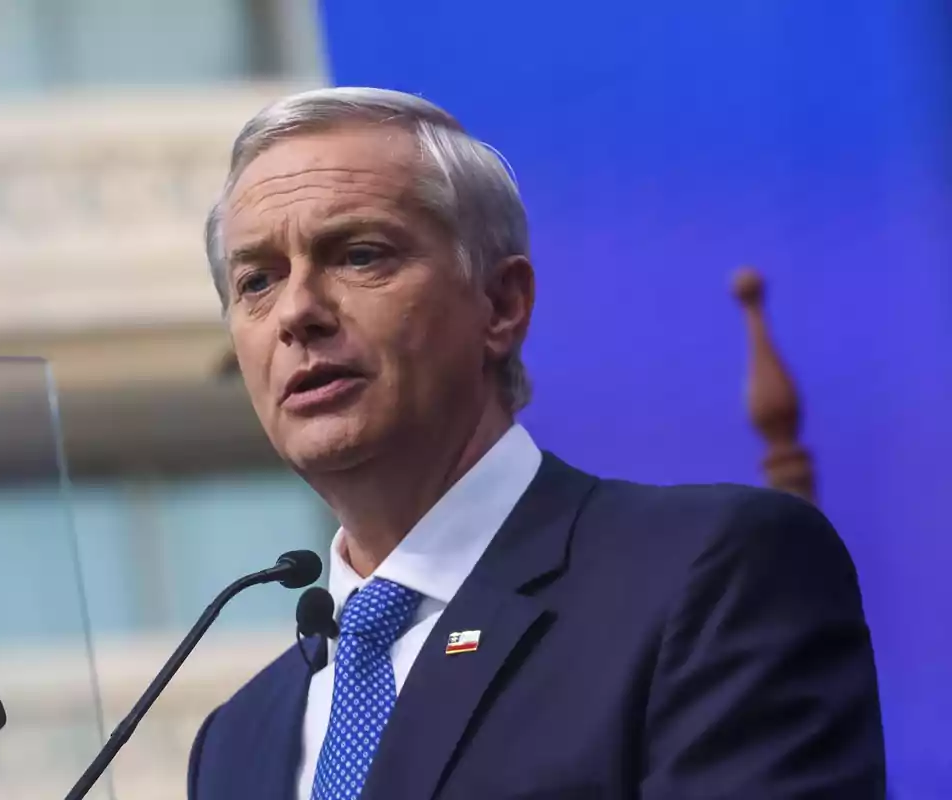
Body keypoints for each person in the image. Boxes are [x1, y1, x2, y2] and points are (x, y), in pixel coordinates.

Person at [187, 87, 885, 800]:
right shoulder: (237, 740)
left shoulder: (706, 575)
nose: (298, 311)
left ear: (502, 305)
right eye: (257, 281)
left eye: (359, 255)